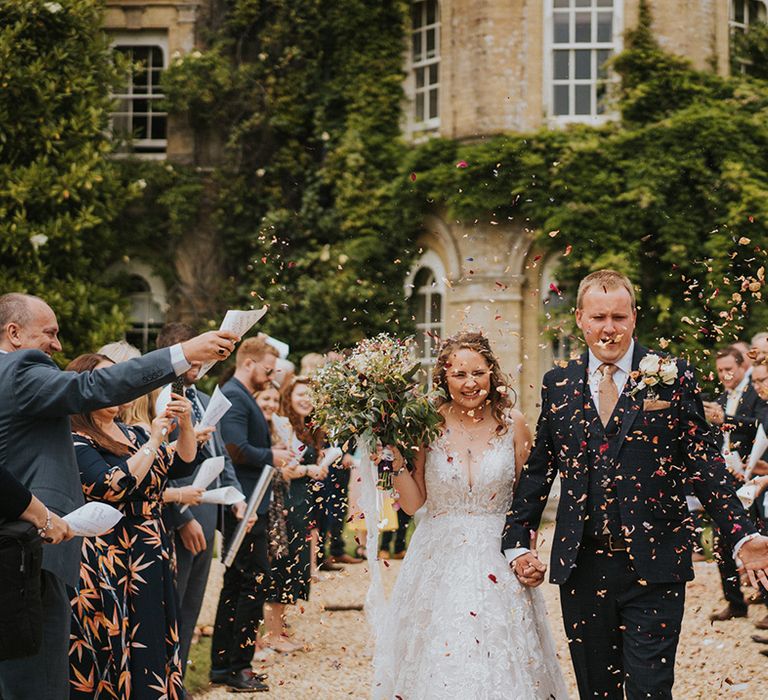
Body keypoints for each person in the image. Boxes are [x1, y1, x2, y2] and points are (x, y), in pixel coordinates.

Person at [504, 269, 768, 700]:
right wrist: (517, 542)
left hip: (657, 565)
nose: (609, 328)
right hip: (583, 568)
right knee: (597, 692)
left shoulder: (673, 375)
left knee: (650, 690)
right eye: (599, 317)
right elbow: (539, 471)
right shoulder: (559, 384)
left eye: (619, 317)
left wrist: (741, 536)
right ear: (580, 319)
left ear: (634, 318)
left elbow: (704, 464)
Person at [0, 292, 236, 700]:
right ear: (14, 332)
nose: (57, 345)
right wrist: (181, 354)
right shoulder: (18, 368)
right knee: (38, 685)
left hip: (25, 547)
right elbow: (94, 386)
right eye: (50, 334)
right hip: (29, 551)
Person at [372, 332, 568, 699]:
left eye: (478, 372)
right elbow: (414, 504)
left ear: (492, 373)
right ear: (443, 378)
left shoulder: (515, 423)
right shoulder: (426, 425)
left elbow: (527, 500)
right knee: (442, 652)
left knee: (502, 653)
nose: (470, 383)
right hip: (438, 559)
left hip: (499, 554)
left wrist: (527, 554)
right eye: (459, 374)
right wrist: (396, 463)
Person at [66, 353, 201, 699]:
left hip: (151, 547)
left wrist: (185, 425)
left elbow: (183, 464)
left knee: (154, 634)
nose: (116, 386)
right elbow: (111, 485)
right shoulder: (77, 439)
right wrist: (155, 440)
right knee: (116, 641)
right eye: (106, 379)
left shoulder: (132, 432)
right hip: (110, 554)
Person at [153, 322, 248, 674]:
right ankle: (160, 678)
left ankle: (177, 678)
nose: (198, 364)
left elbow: (222, 456)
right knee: (170, 604)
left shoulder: (207, 400)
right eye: (191, 354)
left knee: (192, 604)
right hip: (178, 514)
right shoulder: (161, 398)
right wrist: (181, 517)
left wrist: (237, 498)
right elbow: (156, 465)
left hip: (209, 514)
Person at [210, 337, 292, 692]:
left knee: (239, 584)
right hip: (244, 505)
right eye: (268, 370)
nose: (271, 378)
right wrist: (271, 455)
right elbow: (234, 450)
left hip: (249, 503)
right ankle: (238, 667)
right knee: (250, 584)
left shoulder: (238, 395)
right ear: (249, 363)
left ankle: (223, 665)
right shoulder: (235, 397)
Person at [704, 346, 768, 623]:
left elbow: (759, 427)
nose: (725, 374)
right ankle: (734, 601)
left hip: (755, 477)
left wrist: (725, 419)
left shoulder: (757, 392)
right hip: (728, 478)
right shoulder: (721, 397)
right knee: (722, 541)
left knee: (758, 538)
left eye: (729, 368)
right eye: (720, 370)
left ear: (743, 367)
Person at [266, 376, 328, 649]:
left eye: (311, 395)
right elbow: (286, 470)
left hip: (303, 505)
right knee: (281, 569)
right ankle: (272, 635)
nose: (306, 399)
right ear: (289, 396)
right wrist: (308, 470)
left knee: (295, 569)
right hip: (284, 505)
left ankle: (280, 629)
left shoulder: (308, 429)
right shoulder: (284, 427)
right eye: (301, 394)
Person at [254, 383, 302, 652]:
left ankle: (272, 633)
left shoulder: (277, 429)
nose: (271, 404)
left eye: (274, 399)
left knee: (277, 570)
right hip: (261, 508)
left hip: (277, 505)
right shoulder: (254, 431)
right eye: (265, 399)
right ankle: (255, 640)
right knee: (258, 573)